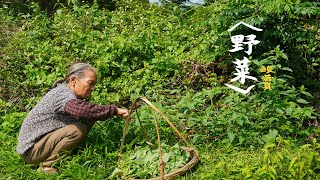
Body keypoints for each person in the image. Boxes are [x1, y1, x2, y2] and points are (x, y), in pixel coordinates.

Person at [16, 63, 129, 173]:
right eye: (90, 83)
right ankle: (48, 165)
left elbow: (88, 112)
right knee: (77, 129)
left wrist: (109, 112)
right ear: (74, 80)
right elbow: (82, 111)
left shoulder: (66, 93)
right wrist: (114, 110)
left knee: (90, 117)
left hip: (39, 146)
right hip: (31, 151)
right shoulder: (63, 95)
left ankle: (66, 152)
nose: (92, 88)